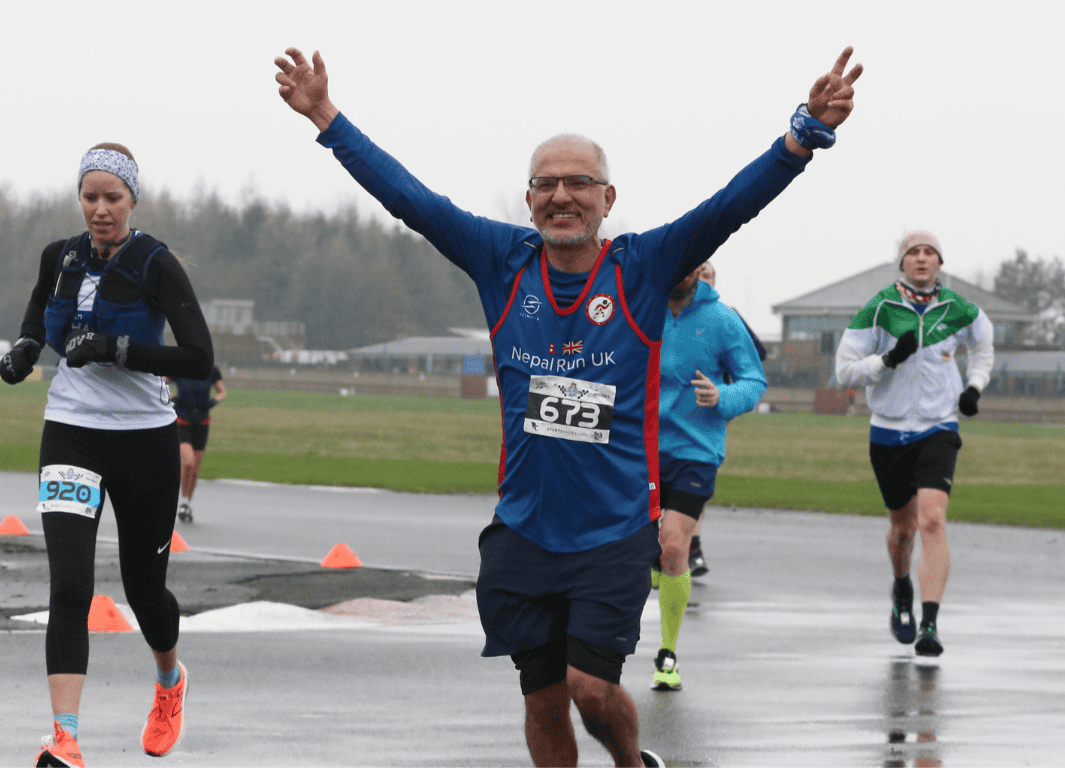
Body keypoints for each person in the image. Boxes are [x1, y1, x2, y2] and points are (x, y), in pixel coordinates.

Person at [274, 44, 860, 767]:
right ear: (528, 200)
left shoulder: (642, 266)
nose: (561, 196)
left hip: (613, 531)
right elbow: (412, 201)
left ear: (607, 199)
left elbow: (728, 209)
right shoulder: (501, 260)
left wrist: (801, 136)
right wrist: (325, 115)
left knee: (590, 688)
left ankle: (632, 762)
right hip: (523, 530)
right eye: (546, 184)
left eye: (580, 183)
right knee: (544, 702)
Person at [0, 142, 214, 767]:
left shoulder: (157, 264)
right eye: (89, 197)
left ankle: (170, 681)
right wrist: (22, 351)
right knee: (70, 585)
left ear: (133, 200)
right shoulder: (58, 257)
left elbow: (198, 358)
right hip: (71, 431)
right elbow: (38, 322)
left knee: (146, 592)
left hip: (146, 437)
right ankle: (63, 738)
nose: (99, 209)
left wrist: (118, 348)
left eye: (111, 198)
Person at [834, 230, 993, 658]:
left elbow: (983, 349)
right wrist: (886, 360)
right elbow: (845, 371)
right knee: (902, 530)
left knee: (933, 521)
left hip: (938, 427)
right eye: (913, 253)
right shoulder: (879, 308)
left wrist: (974, 387)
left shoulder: (960, 309)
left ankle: (930, 624)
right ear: (902, 263)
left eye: (930, 253)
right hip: (887, 431)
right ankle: (901, 586)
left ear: (940, 263)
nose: (922, 259)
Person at [651, 264, 766, 691]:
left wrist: (723, 396)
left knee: (674, 543)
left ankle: (667, 652)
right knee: (630, 548)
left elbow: (754, 380)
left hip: (694, 451)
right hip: (638, 448)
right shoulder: (641, 308)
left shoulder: (722, 319)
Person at [686, 261, 768, 577]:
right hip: (668, 415)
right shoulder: (666, 311)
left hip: (709, 407)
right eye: (698, 270)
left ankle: (692, 546)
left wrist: (725, 391)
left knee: (693, 481)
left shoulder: (724, 315)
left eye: (707, 273)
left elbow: (755, 355)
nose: (701, 276)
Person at [172, 365, 226, 523]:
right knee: (188, 462)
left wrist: (212, 402)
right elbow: (159, 384)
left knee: (195, 467)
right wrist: (173, 397)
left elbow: (222, 392)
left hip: (202, 423)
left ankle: (187, 503)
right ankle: (182, 500)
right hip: (182, 421)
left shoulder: (211, 370)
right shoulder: (180, 367)